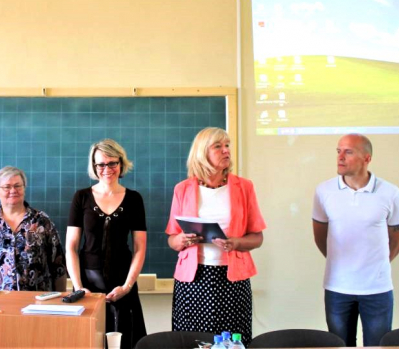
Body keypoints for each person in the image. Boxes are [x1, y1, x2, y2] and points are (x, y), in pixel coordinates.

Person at [166, 128, 265, 346]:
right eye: (218, 146)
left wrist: (236, 242)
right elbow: (172, 239)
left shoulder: (244, 187)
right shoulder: (182, 189)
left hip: (231, 279)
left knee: (232, 341)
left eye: (227, 145)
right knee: (192, 341)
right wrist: (181, 240)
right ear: (202, 153)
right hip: (193, 280)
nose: (226, 150)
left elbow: (257, 238)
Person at [312, 134, 399, 347]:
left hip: (377, 289)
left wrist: (376, 265)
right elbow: (320, 236)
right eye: (338, 151)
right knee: (340, 345)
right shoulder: (323, 191)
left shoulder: (391, 193)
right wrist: (340, 262)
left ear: (367, 158)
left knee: (377, 345)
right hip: (337, 287)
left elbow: (397, 239)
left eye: (348, 152)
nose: (340, 157)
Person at [66, 139, 147, 349]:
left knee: (126, 341)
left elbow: (140, 248)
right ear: (94, 166)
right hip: (87, 286)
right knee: (89, 342)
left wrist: (127, 287)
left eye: (112, 163)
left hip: (123, 284)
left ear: (121, 163)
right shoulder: (81, 197)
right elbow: (71, 247)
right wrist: (79, 288)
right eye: (101, 164)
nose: (107, 169)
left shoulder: (134, 199)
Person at [0, 166, 66, 304]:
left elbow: (58, 266)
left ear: (24, 189)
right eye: (7, 187)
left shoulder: (42, 221)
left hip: (38, 304)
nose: (13, 190)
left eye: (17, 186)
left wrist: (60, 304)